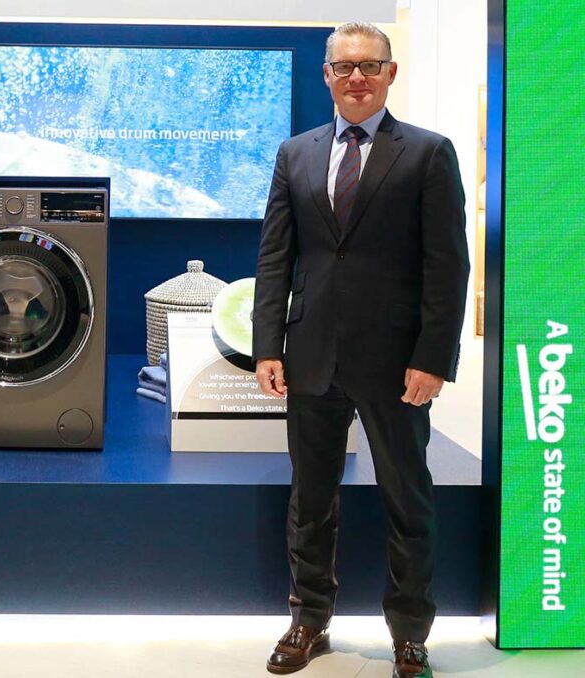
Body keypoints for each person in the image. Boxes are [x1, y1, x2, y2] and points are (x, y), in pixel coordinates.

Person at [252, 22, 469, 678]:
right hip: (311, 355)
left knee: (408, 499)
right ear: (326, 75)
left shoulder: (428, 154)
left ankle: (410, 634)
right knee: (310, 501)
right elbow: (276, 258)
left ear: (389, 74)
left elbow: (447, 267)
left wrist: (433, 357)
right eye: (344, 66)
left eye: (369, 66)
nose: (356, 77)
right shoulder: (295, 153)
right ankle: (308, 621)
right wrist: (267, 346)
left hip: (398, 364)